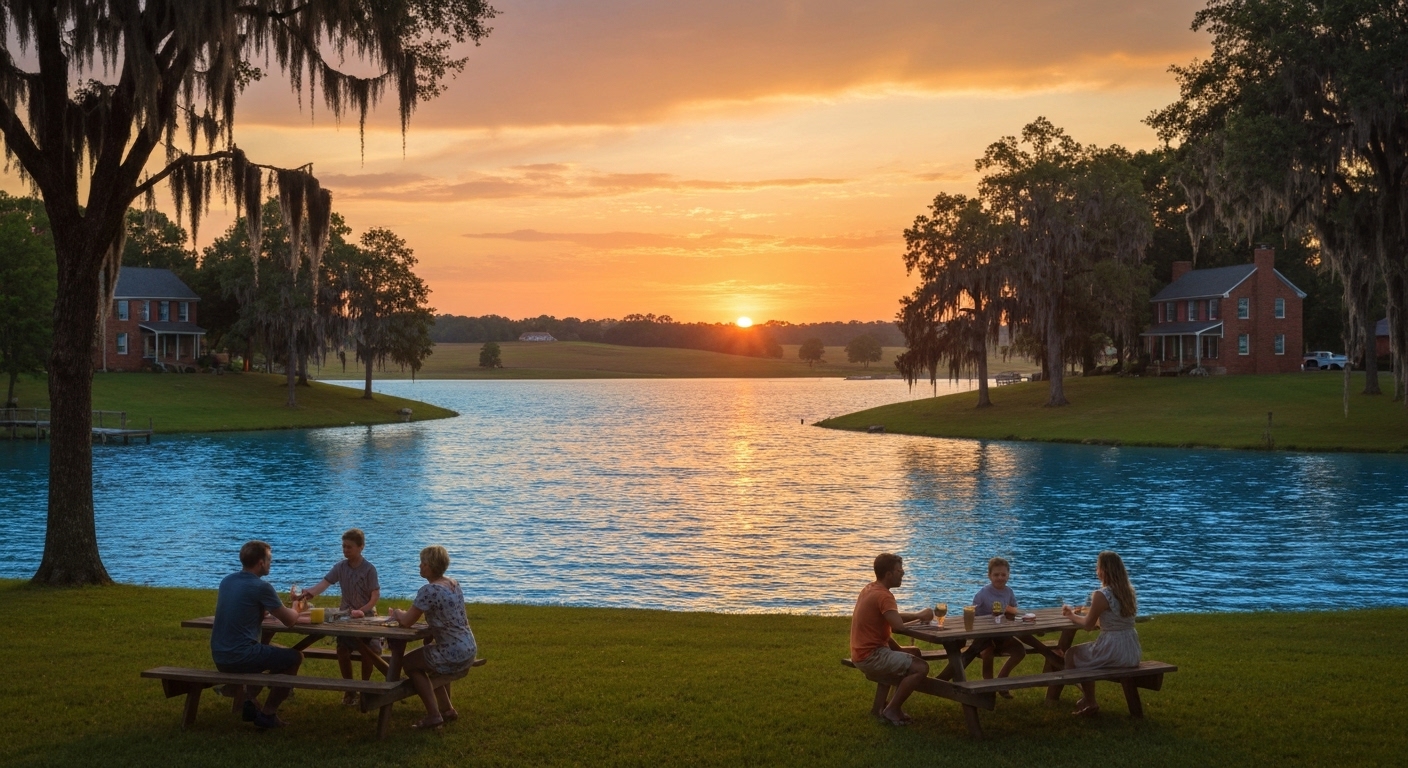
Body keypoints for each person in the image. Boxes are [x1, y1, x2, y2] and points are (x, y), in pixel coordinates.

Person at [210, 540, 304, 730]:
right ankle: (268, 714)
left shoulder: (227, 581)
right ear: (261, 563)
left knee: (271, 651)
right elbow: (290, 620)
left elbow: (248, 610)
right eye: (269, 560)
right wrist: (297, 607)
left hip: (220, 655)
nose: (270, 563)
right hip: (240, 656)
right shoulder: (262, 587)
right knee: (295, 657)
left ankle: (250, 701)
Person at [389, 545, 478, 731]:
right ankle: (447, 710)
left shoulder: (429, 590)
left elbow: (406, 621)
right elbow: (446, 615)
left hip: (453, 651)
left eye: (423, 563)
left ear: (430, 566)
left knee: (410, 663)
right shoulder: (453, 583)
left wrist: (397, 613)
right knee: (430, 662)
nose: (420, 566)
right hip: (468, 647)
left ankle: (433, 715)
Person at [849, 553, 934, 726]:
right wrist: (920, 615)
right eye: (899, 570)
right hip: (871, 657)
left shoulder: (870, 588)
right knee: (920, 667)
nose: (902, 573)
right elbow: (898, 626)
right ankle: (892, 709)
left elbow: (888, 619)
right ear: (888, 574)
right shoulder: (884, 596)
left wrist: (899, 650)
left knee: (914, 653)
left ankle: (880, 707)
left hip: (861, 653)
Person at [299, 528, 382, 705]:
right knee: (342, 650)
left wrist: (363, 610)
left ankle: (365, 688)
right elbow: (323, 584)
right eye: (343, 546)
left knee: (370, 651)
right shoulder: (340, 567)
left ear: (361, 547)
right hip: (345, 616)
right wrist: (307, 594)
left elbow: (375, 596)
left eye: (349, 547)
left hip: (367, 616)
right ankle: (349, 689)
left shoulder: (369, 569)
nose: (345, 550)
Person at [1059, 550, 1142, 717]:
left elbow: (1088, 626)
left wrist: (1071, 615)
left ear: (1103, 570)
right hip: (1131, 650)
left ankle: (1089, 699)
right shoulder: (1128, 591)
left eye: (1097, 568)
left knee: (1073, 654)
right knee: (1083, 655)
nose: (1096, 572)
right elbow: (1112, 618)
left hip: (1113, 648)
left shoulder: (1101, 594)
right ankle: (1088, 699)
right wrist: (1090, 613)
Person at [972, 556, 1026, 698]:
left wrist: (1011, 613)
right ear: (989, 575)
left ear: (1008, 575)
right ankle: (988, 687)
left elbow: (1013, 609)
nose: (1000, 578)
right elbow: (973, 613)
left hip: (1002, 633)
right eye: (996, 575)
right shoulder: (983, 593)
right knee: (987, 653)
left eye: (1003, 574)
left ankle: (1002, 680)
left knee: (1020, 651)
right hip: (984, 635)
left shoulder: (1009, 592)